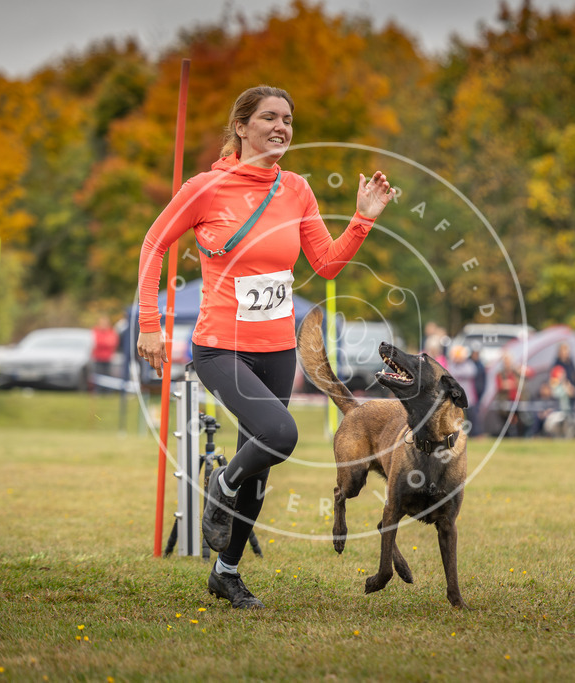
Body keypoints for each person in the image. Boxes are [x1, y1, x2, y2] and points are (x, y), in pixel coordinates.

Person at [136, 85, 396, 609]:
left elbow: (325, 264)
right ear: (241, 126)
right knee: (280, 434)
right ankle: (221, 484)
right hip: (220, 347)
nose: (282, 127)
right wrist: (149, 321)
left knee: (260, 462)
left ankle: (225, 572)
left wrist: (363, 217)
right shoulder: (206, 188)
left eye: (288, 119)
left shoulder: (296, 189)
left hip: (277, 348)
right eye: (270, 117)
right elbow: (154, 244)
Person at [91, 315, 119, 388]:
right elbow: (96, 342)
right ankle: (97, 391)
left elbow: (113, 342)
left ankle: (107, 392)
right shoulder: (96, 331)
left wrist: (104, 343)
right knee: (98, 375)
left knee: (108, 375)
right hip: (98, 357)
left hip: (108, 357)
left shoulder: (111, 331)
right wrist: (106, 343)